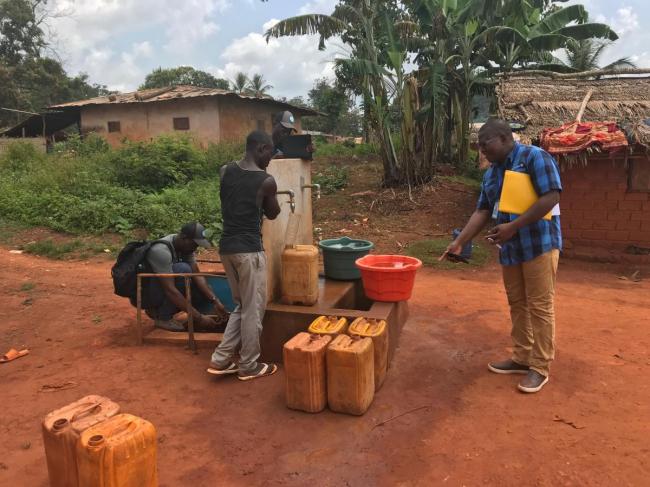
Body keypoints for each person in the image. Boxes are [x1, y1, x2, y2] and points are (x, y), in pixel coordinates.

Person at [441, 118, 562, 394]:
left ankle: (540, 366)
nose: (483, 152)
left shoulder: (534, 157)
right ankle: (522, 357)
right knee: (517, 303)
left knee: (540, 305)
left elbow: (552, 196)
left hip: (539, 243)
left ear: (506, 138)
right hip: (511, 248)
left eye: (487, 145)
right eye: (481, 147)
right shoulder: (491, 174)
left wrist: (513, 226)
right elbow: (482, 211)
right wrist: (459, 242)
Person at [208, 130, 281, 381]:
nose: (270, 159)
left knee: (242, 306)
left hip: (227, 248)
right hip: (249, 250)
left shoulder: (225, 170)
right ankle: (249, 365)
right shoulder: (266, 180)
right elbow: (273, 214)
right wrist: (271, 195)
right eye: (270, 153)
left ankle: (221, 359)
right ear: (261, 149)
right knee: (254, 310)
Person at [145, 222, 226, 332]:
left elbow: (197, 275)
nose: (195, 248)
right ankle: (162, 317)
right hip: (148, 292)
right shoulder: (161, 251)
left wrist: (215, 301)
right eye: (194, 244)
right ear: (184, 238)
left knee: (200, 290)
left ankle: (173, 312)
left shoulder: (185, 247)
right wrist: (200, 318)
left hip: (162, 287)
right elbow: (170, 290)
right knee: (183, 269)